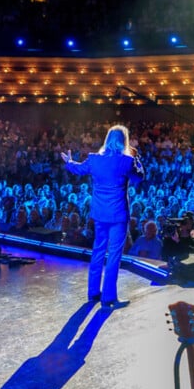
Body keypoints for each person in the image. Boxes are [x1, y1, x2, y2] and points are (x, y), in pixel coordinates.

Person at [61, 124, 144, 309]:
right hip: (118, 216)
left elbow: (78, 170)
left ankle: (93, 293)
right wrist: (136, 158)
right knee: (114, 255)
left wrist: (69, 162)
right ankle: (108, 297)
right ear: (124, 141)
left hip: (99, 214)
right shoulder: (127, 161)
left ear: (107, 139)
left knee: (98, 251)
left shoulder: (94, 159)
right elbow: (140, 177)